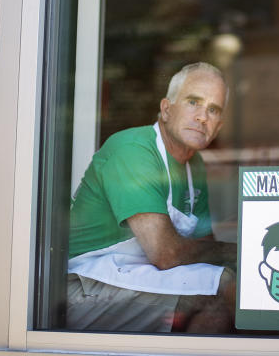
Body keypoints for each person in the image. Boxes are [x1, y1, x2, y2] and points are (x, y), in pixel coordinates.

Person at [66, 62, 237, 333]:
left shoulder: (195, 165)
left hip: (142, 276)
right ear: (166, 109)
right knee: (217, 290)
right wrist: (235, 252)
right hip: (84, 285)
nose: (203, 116)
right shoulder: (133, 150)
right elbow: (165, 252)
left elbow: (204, 246)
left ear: (219, 126)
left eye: (213, 109)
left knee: (231, 282)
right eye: (193, 102)